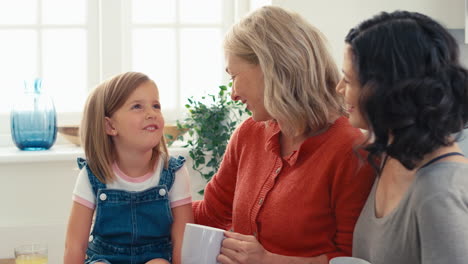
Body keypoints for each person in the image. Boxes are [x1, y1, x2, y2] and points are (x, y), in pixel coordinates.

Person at [192, 6, 375, 264]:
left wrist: (268, 260)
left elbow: (351, 257)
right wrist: (136, 205)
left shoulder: (351, 149)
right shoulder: (248, 134)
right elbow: (209, 213)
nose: (232, 93)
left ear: (272, 68)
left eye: (234, 76)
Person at [336, 10, 468, 264]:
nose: (339, 89)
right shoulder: (391, 156)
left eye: (348, 80)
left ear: (386, 91)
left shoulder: (439, 191)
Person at [64, 72, 194, 264]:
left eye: (156, 105)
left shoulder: (173, 172)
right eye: (137, 107)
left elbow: (182, 242)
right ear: (110, 126)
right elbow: (75, 245)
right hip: (105, 258)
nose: (152, 113)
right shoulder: (93, 174)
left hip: (154, 258)